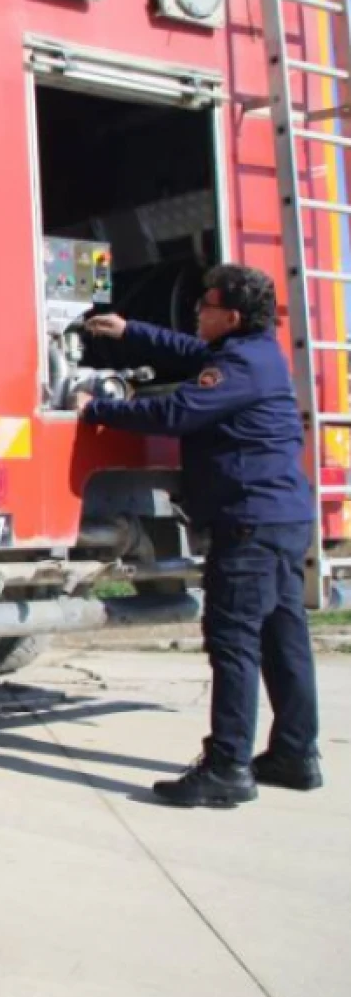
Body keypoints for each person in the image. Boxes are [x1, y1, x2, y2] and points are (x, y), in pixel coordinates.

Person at [78, 263, 322, 807]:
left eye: (206, 304)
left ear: (230, 317)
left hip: (249, 523)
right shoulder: (253, 352)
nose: (196, 310)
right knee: (283, 638)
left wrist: (98, 410)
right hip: (280, 518)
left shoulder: (237, 365)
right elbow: (190, 351)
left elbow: (177, 411)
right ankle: (295, 754)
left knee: (234, 643)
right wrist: (130, 330)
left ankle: (227, 768)